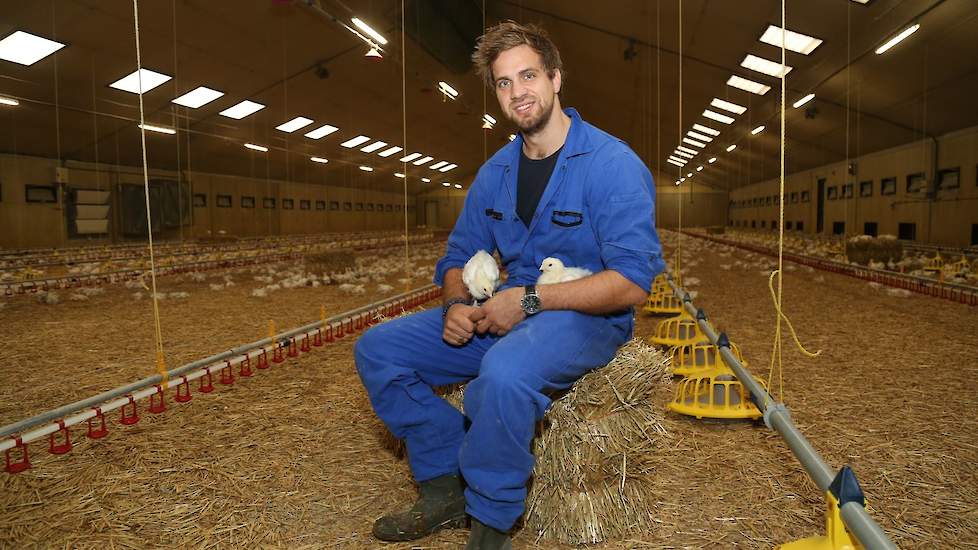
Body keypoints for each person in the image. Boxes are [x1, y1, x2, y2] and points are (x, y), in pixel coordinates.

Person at [354, 20, 664, 550]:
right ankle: (444, 483)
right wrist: (455, 301)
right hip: (509, 307)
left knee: (500, 375)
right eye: (503, 82)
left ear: (556, 78)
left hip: (583, 315)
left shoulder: (612, 165)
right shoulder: (495, 172)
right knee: (378, 349)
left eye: (528, 75)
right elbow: (457, 255)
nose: (518, 91)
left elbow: (633, 282)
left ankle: (492, 521)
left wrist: (528, 299)